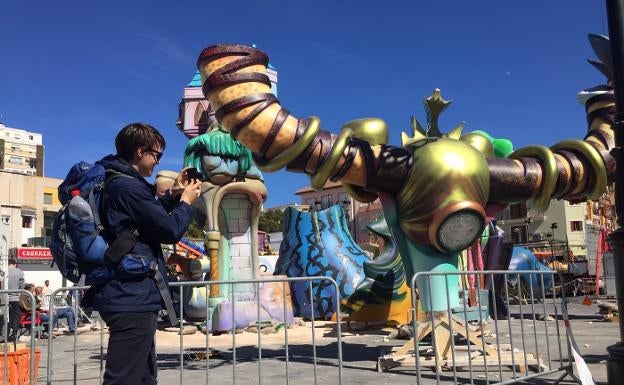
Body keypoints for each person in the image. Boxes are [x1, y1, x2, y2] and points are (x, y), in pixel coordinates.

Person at [84, 122, 201, 385]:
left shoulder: (115, 181)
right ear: (140, 151)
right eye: (156, 155)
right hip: (130, 296)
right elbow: (170, 229)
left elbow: (146, 221)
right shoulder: (127, 187)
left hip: (128, 293)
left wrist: (173, 195)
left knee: (144, 377)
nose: (158, 162)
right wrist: (186, 202)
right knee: (124, 378)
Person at [7, 259, 25, 342]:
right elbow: (22, 285)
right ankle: (13, 334)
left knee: (6, 317)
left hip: (4, 298)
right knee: (16, 317)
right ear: (14, 264)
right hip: (15, 298)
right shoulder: (19, 272)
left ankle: (5, 334)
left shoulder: (3, 271)